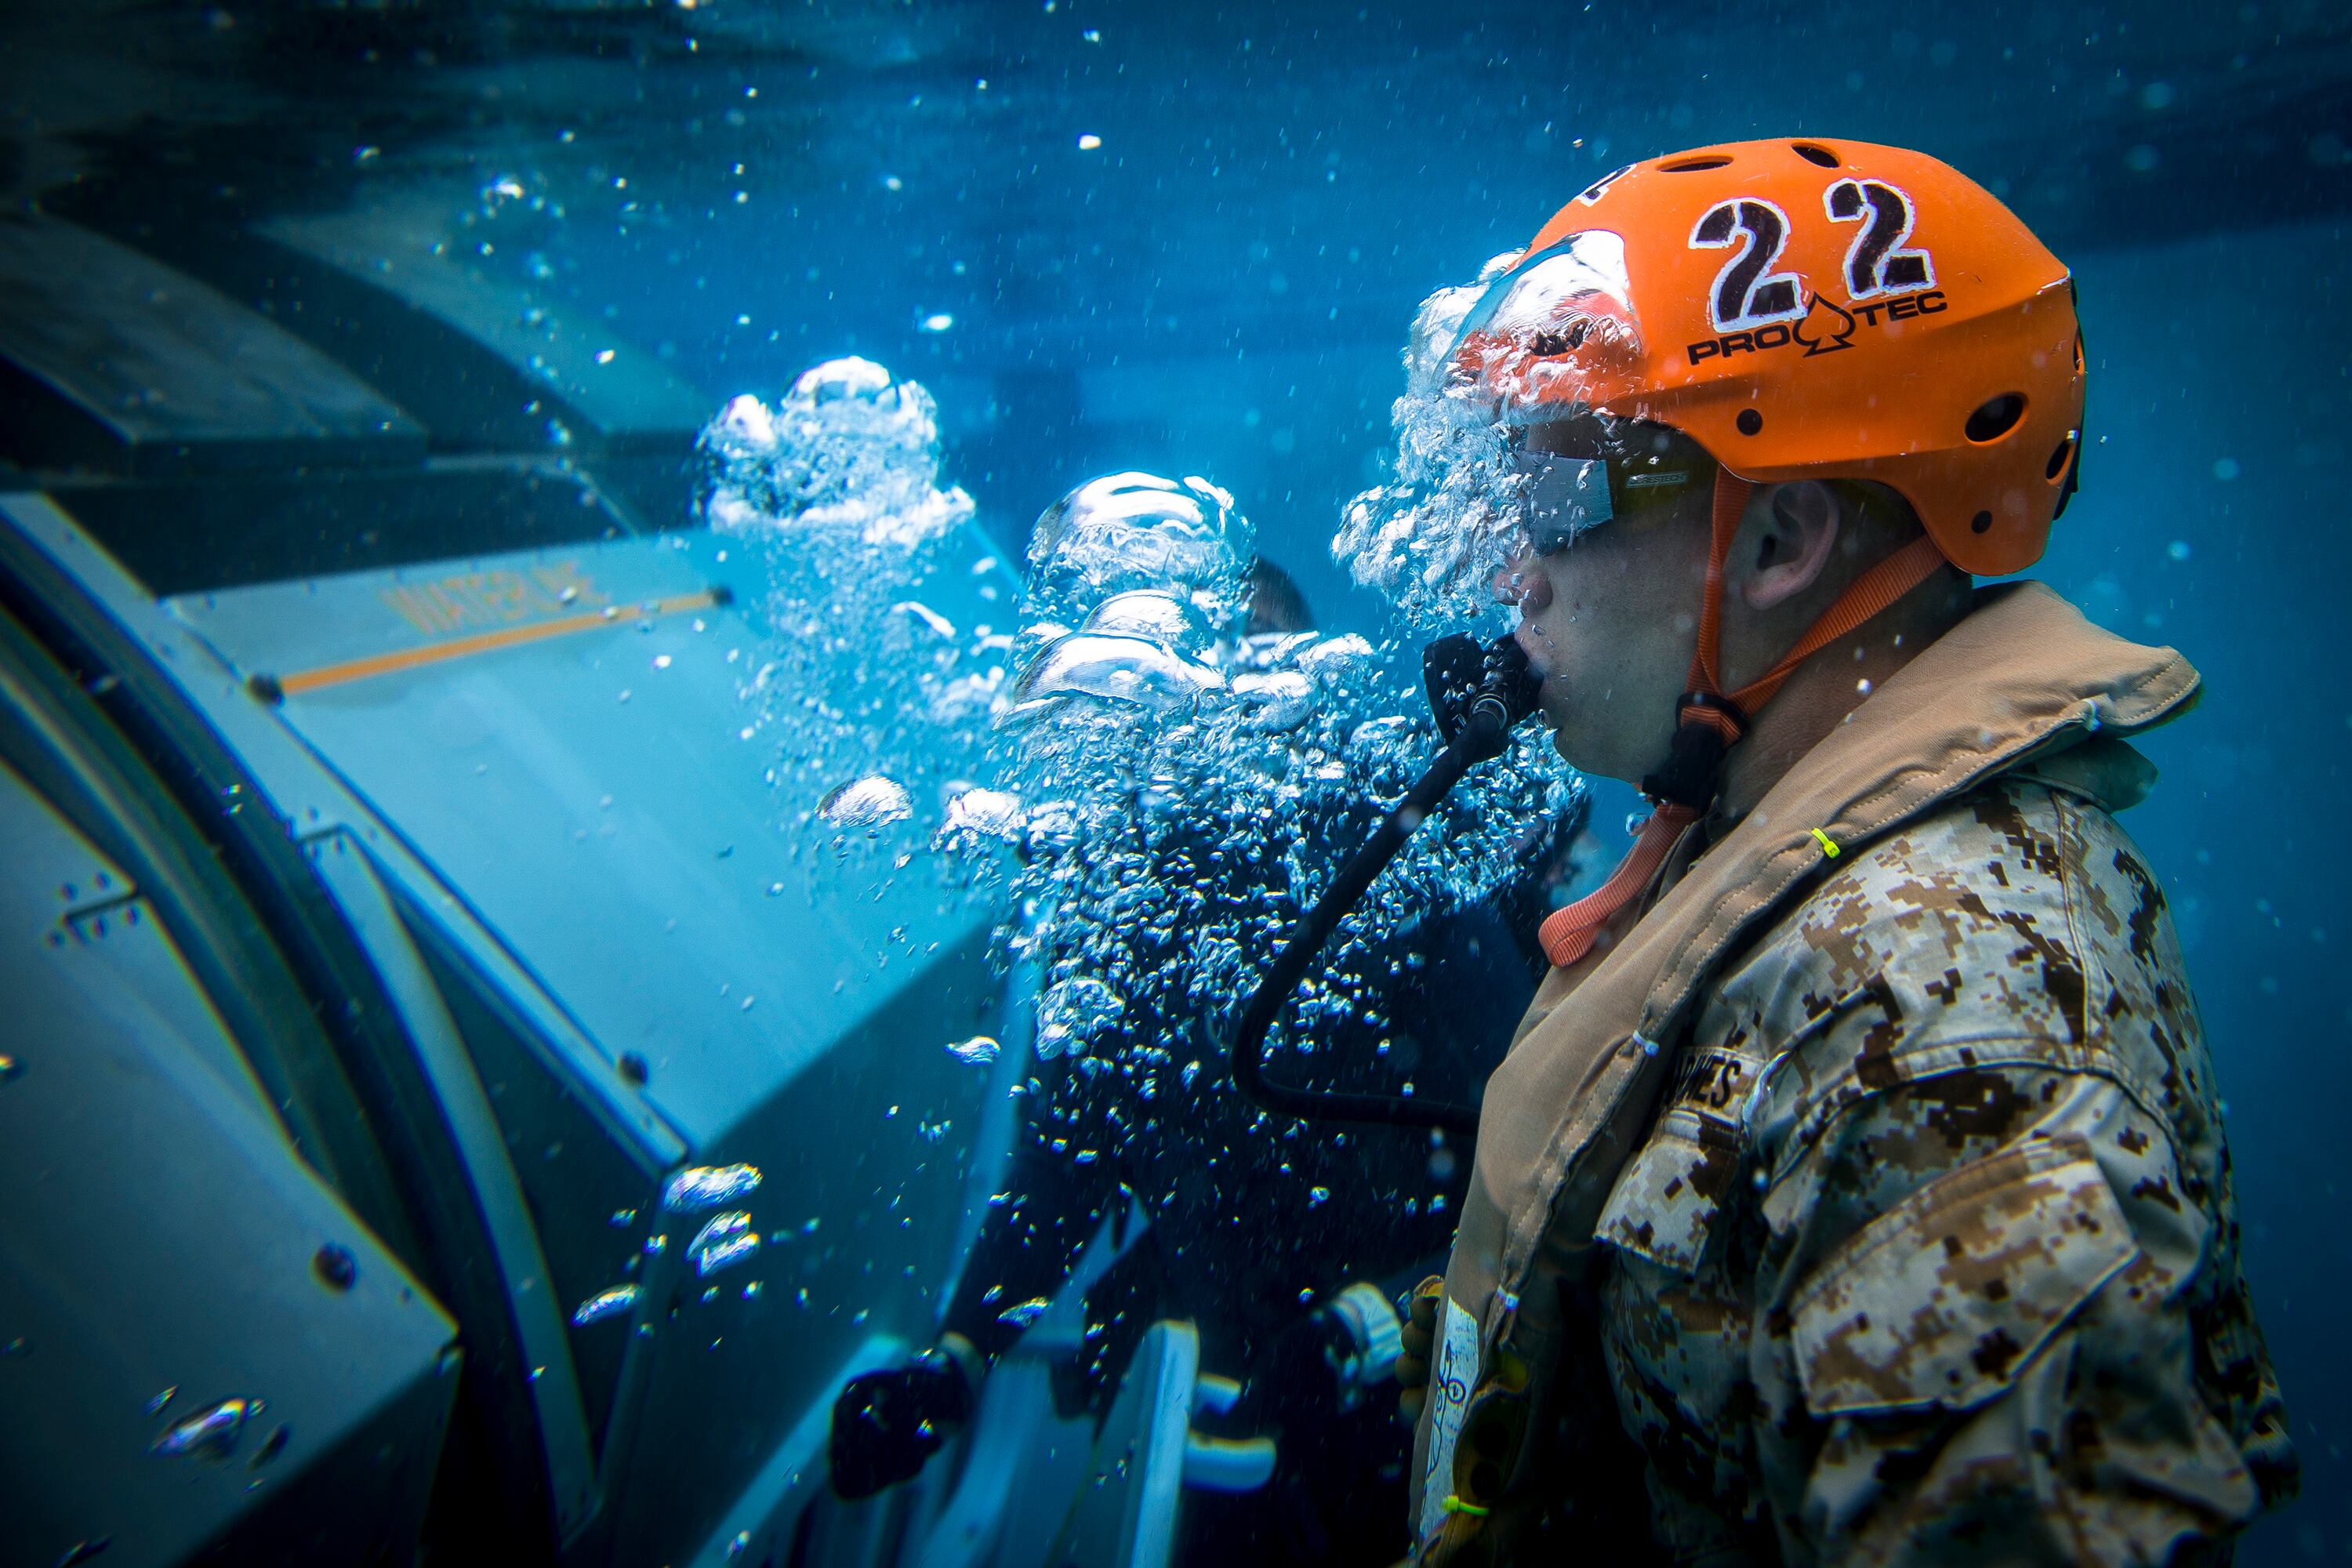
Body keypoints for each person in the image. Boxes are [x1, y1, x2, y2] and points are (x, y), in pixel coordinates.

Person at [1392, 139, 2298, 1566]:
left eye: (1561, 497)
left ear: (1781, 541)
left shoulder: (1942, 1013)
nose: (1514, 566)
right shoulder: (1785, 841)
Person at [829, 546, 1575, 1564]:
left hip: (1396, 1400)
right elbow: (1064, 1160)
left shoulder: (1394, 868)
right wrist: (956, 1360)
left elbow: (1523, 1152)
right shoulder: (1123, 908)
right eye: (1178, 680)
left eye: (1242, 673)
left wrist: (1366, 1323)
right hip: (1206, 1396)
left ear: (1300, 694)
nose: (1209, 714)